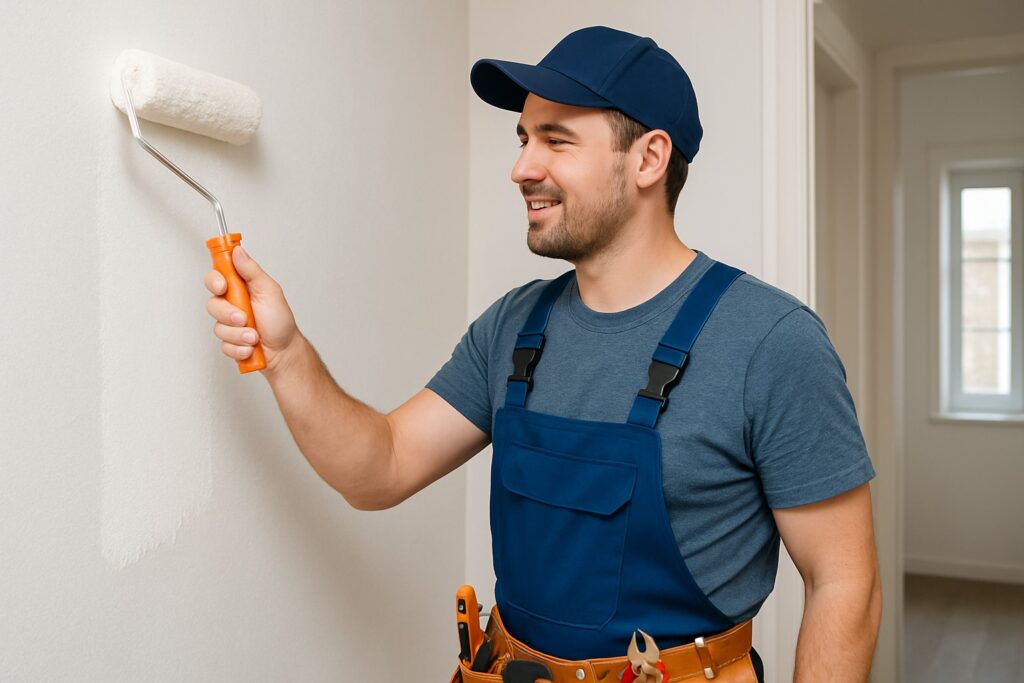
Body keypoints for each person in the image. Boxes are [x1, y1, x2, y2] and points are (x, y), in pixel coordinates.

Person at [204, 25, 881, 683]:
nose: (522, 168)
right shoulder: (513, 326)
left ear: (648, 159)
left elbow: (845, 583)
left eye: (556, 140)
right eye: (524, 138)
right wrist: (287, 354)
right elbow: (379, 468)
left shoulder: (771, 341)